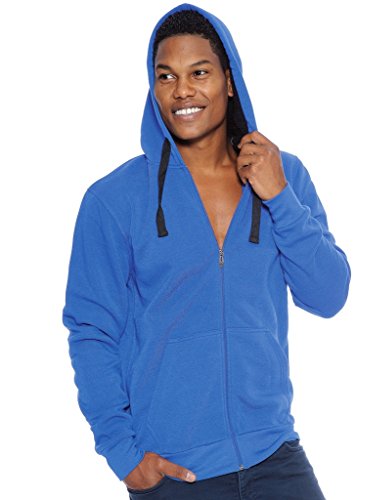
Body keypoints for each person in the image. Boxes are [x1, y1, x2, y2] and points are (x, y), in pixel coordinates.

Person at [62, 3, 351, 499]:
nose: (182, 91)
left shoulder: (283, 175)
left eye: (199, 72)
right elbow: (91, 331)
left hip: (274, 454)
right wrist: (123, 455)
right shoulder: (114, 200)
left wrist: (279, 197)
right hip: (176, 472)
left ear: (229, 80)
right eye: (166, 76)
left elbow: (328, 295)